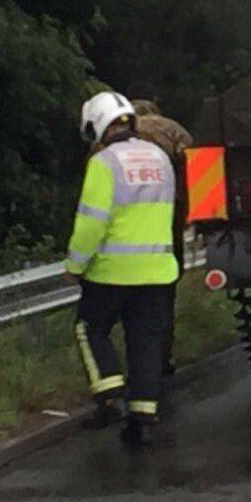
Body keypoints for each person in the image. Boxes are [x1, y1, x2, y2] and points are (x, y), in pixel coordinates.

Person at [65, 91, 178, 447]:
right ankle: (143, 418)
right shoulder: (160, 158)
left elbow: (91, 223)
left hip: (112, 270)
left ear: (98, 124)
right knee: (146, 342)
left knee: (89, 327)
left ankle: (109, 391)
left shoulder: (104, 163)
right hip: (159, 270)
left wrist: (75, 265)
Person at [128, 92, 193, 377]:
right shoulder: (173, 130)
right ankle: (163, 357)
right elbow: (198, 165)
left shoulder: (115, 133)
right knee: (164, 293)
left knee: (127, 299)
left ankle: (135, 361)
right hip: (167, 220)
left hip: (125, 227)